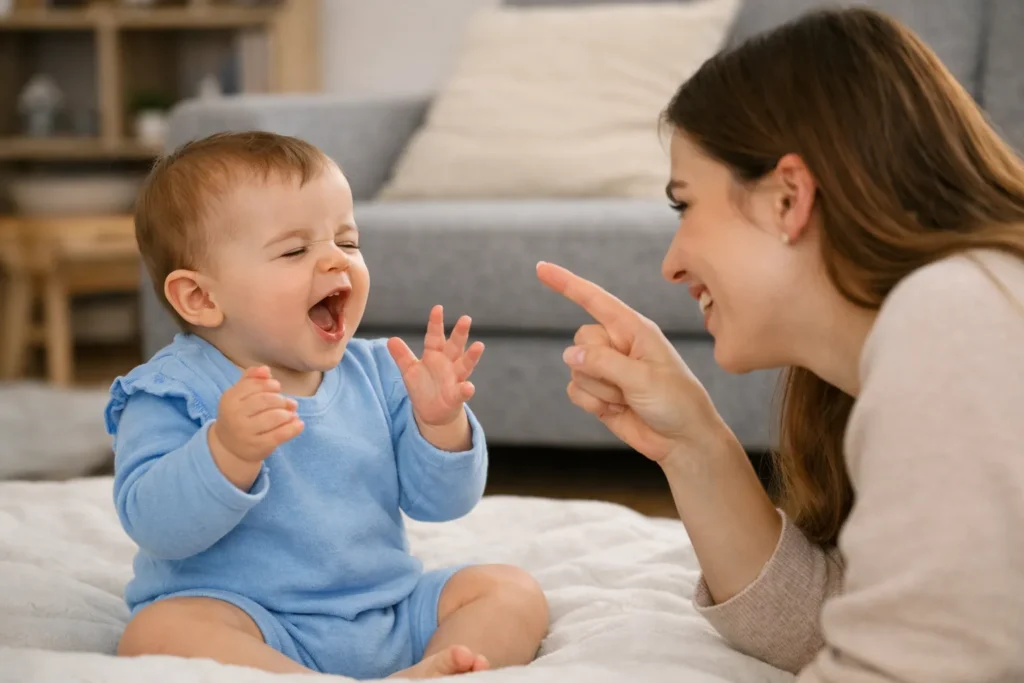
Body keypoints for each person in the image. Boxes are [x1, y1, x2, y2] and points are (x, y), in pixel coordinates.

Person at [538, 7, 1024, 682]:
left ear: (788, 197)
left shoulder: (958, 314)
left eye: (685, 204)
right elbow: (839, 626)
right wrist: (692, 440)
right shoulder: (936, 327)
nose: (671, 264)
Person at [106, 132, 549, 679]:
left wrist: (440, 425)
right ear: (201, 297)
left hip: (390, 610)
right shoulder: (171, 389)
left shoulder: (380, 371)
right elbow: (155, 525)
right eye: (295, 250)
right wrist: (225, 452)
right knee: (157, 634)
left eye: (347, 241)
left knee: (510, 589)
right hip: (255, 625)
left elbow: (442, 504)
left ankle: (438, 667)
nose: (335, 263)